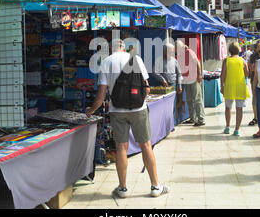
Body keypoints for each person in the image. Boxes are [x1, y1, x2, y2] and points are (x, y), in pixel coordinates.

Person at [86, 39, 170, 198]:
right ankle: (155, 186)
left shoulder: (106, 62)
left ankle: (123, 189)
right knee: (146, 145)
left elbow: (101, 96)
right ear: (124, 48)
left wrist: (90, 111)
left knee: (121, 148)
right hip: (138, 109)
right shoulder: (136, 59)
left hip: (117, 110)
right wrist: (140, 102)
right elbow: (146, 88)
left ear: (111, 49)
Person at [220, 42, 250, 136]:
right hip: (240, 87)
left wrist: (222, 86)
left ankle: (228, 127)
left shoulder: (226, 60)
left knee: (228, 107)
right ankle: (237, 129)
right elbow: (247, 73)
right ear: (239, 50)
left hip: (229, 86)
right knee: (239, 108)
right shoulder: (242, 60)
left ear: (229, 50)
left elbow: (223, 75)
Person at [176, 39, 205, 127]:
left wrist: (199, 74)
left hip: (194, 79)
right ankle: (193, 118)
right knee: (189, 100)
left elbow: (197, 63)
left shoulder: (190, 52)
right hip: (186, 80)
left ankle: (201, 119)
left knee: (197, 99)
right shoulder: (179, 55)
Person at [248, 39, 260, 126]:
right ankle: (256, 117)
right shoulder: (253, 56)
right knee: (255, 99)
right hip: (255, 80)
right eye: (258, 46)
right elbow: (251, 68)